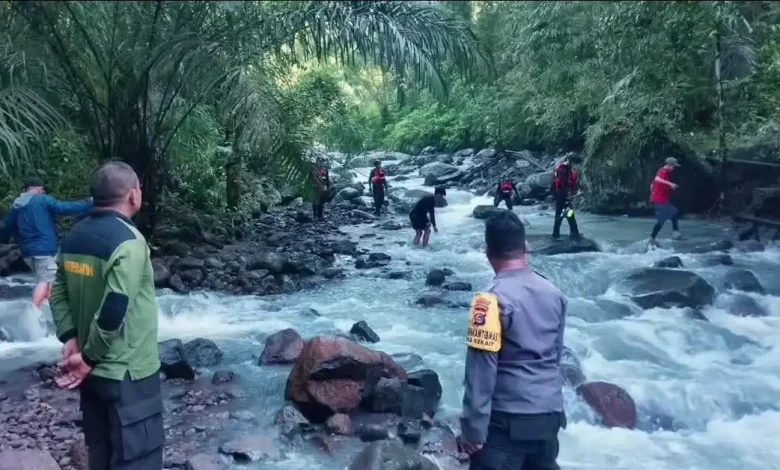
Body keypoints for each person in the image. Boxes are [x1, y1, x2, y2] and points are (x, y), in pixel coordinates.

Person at [50, 162, 163, 469]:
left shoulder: (74, 237)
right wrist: (88, 358)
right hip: (128, 372)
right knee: (139, 458)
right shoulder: (129, 242)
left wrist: (70, 339)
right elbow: (115, 306)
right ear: (133, 195)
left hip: (92, 376)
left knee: (101, 454)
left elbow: (57, 293)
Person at [459, 210, 567, 470]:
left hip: (506, 424)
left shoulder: (488, 302)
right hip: (549, 415)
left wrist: (473, 429)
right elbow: (556, 354)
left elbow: (481, 371)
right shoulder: (554, 293)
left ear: (487, 251)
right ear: (525, 248)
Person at [0, 177, 92, 308]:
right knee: (46, 281)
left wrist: (21, 241)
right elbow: (65, 208)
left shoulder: (17, 205)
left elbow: (6, 228)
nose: (43, 192)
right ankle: (35, 311)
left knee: (47, 281)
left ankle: (47, 311)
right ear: (39, 189)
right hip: (43, 250)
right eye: (43, 190)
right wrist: (90, 202)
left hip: (27, 252)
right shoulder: (42, 199)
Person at [649, 157, 682, 245]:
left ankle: (674, 232)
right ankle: (652, 238)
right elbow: (657, 179)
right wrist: (670, 184)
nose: (674, 168)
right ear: (670, 165)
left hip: (661, 200)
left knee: (671, 213)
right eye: (674, 166)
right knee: (665, 217)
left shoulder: (665, 173)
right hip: (659, 200)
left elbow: (652, 185)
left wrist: (654, 191)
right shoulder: (663, 171)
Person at [550, 156, 581, 240]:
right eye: (576, 164)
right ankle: (573, 234)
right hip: (563, 196)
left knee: (562, 214)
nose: (577, 166)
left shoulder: (563, 169)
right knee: (567, 215)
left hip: (560, 196)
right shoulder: (565, 171)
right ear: (572, 162)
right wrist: (567, 197)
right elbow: (563, 185)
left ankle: (556, 234)